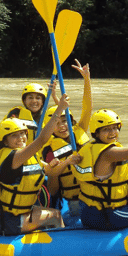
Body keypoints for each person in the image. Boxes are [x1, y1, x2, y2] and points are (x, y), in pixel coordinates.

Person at [0, 94, 77, 235]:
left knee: (52, 211)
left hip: (9, 215)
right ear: (4, 141)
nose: (21, 138)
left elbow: (50, 172)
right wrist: (59, 110)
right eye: (14, 135)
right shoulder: (15, 156)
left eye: (23, 133)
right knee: (56, 216)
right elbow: (41, 140)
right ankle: (60, 249)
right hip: (7, 221)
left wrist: (61, 163)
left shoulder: (22, 155)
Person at [74, 102, 128, 230]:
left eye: (115, 128)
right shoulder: (109, 153)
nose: (113, 132)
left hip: (89, 212)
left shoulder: (90, 148)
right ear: (96, 133)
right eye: (106, 129)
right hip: (108, 216)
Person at [42, 60, 92, 212]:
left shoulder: (79, 129)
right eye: (57, 123)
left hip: (93, 189)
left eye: (65, 121)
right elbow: (53, 176)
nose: (62, 126)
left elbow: (87, 107)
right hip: (74, 198)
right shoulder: (49, 149)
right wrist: (66, 162)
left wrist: (87, 81)